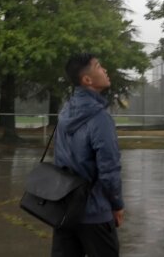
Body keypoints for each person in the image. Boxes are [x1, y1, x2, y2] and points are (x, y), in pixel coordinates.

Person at [51, 53, 124, 257]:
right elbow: (109, 169)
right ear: (87, 80)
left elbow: (60, 159)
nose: (105, 70)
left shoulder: (65, 111)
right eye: (99, 66)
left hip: (64, 209)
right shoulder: (100, 118)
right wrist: (117, 204)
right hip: (95, 213)